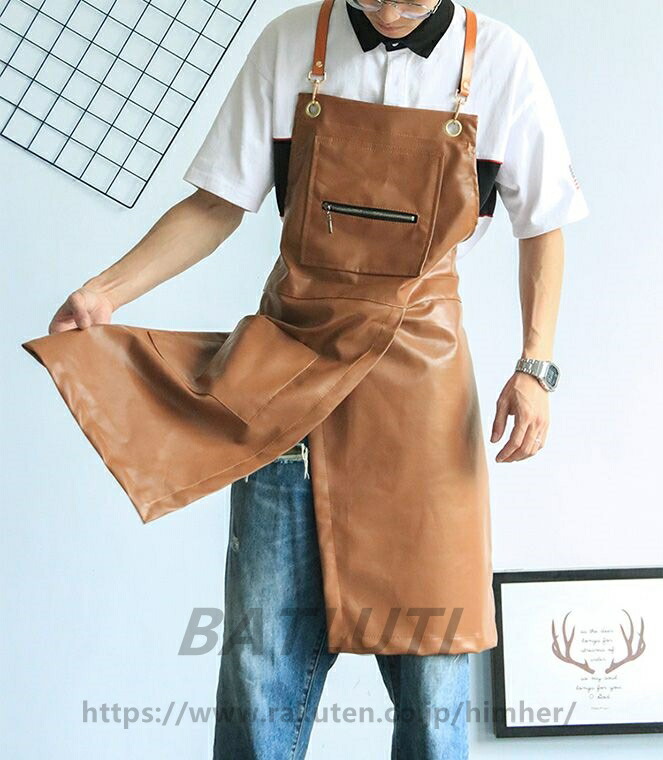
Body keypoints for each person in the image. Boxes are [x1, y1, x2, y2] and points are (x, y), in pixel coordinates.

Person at [45, 1, 589, 757]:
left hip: (421, 393)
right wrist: (105, 292)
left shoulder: (500, 60)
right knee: (259, 663)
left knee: (435, 667)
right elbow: (216, 202)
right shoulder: (290, 43)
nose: (389, 13)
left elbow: (544, 225)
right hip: (288, 375)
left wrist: (535, 368)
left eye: (409, 0)